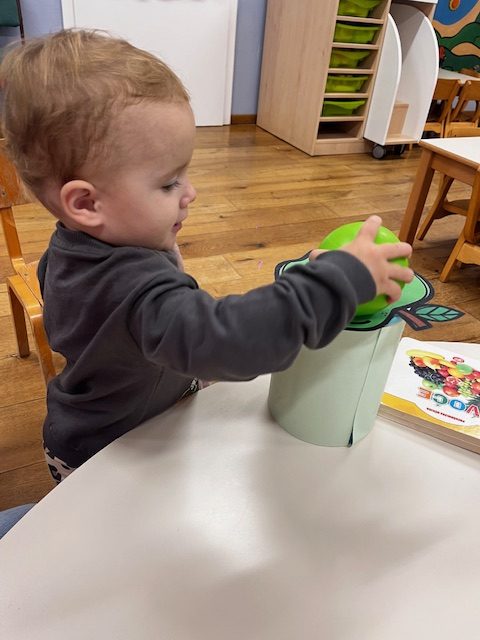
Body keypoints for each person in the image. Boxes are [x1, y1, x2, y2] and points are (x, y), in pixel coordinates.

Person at [0, 30, 413, 483]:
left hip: (115, 417)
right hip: (111, 455)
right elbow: (230, 340)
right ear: (86, 204)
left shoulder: (72, 246)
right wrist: (341, 281)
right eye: (168, 183)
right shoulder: (134, 288)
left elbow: (141, 335)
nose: (191, 193)